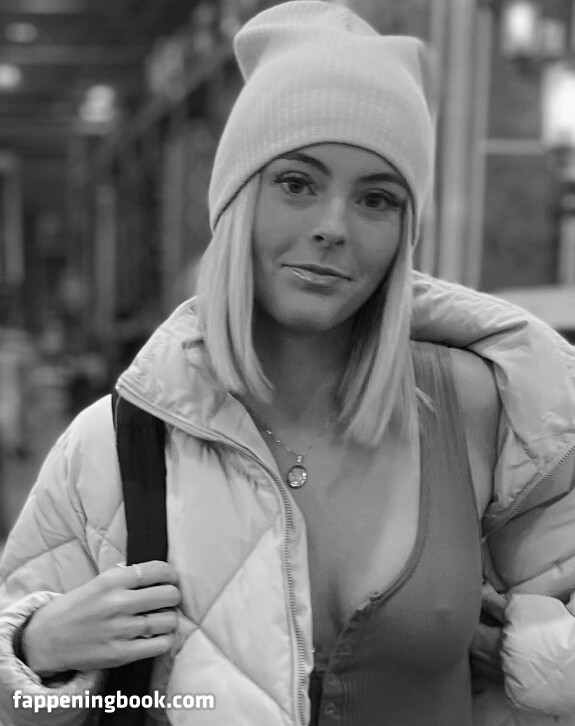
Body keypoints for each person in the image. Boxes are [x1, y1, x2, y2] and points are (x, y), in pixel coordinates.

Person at [1, 2, 575, 725]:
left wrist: (540, 658)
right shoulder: (117, 442)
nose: (333, 227)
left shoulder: (485, 410)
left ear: (404, 232)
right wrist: (37, 651)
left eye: (376, 198)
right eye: (297, 183)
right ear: (238, 199)